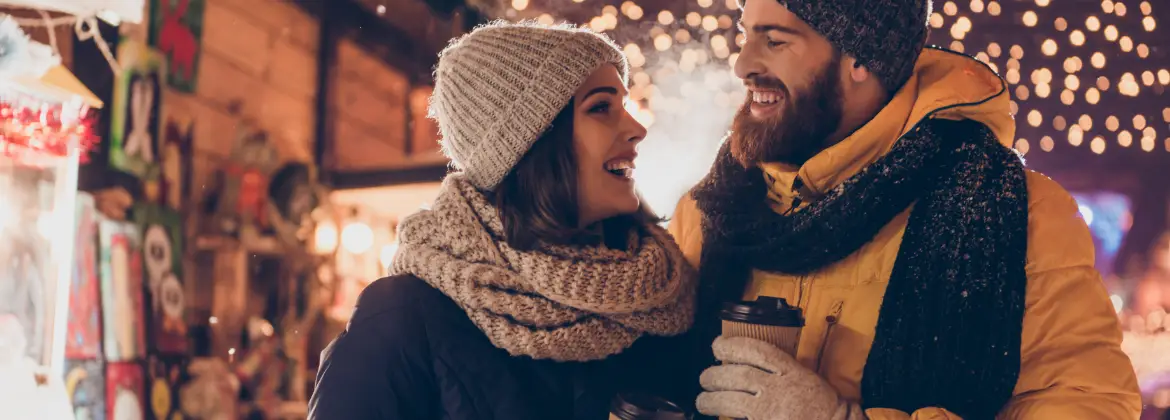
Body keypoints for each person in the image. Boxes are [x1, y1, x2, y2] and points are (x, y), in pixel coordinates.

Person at [665, 0, 1143, 419]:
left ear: (859, 58)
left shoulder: (1013, 212)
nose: (743, 63)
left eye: (775, 41)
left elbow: (1091, 405)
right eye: (745, 34)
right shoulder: (710, 211)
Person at [307, 21, 696, 420]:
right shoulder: (405, 318)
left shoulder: (662, 301)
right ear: (530, 142)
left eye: (624, 106)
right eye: (601, 107)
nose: (637, 129)